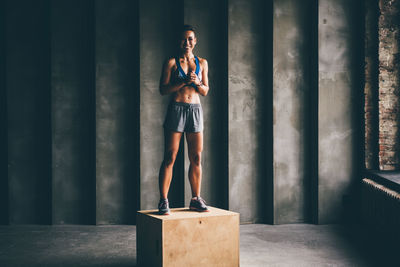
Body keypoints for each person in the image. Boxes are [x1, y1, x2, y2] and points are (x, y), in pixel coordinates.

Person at [157, 25, 209, 215]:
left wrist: (197, 82)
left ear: (195, 41)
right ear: (178, 42)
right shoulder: (171, 62)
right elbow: (162, 90)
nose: (186, 43)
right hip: (177, 108)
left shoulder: (202, 62)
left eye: (190, 39)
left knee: (196, 157)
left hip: (195, 109)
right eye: (183, 39)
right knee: (170, 156)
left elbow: (205, 91)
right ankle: (163, 200)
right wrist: (182, 81)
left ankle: (195, 199)